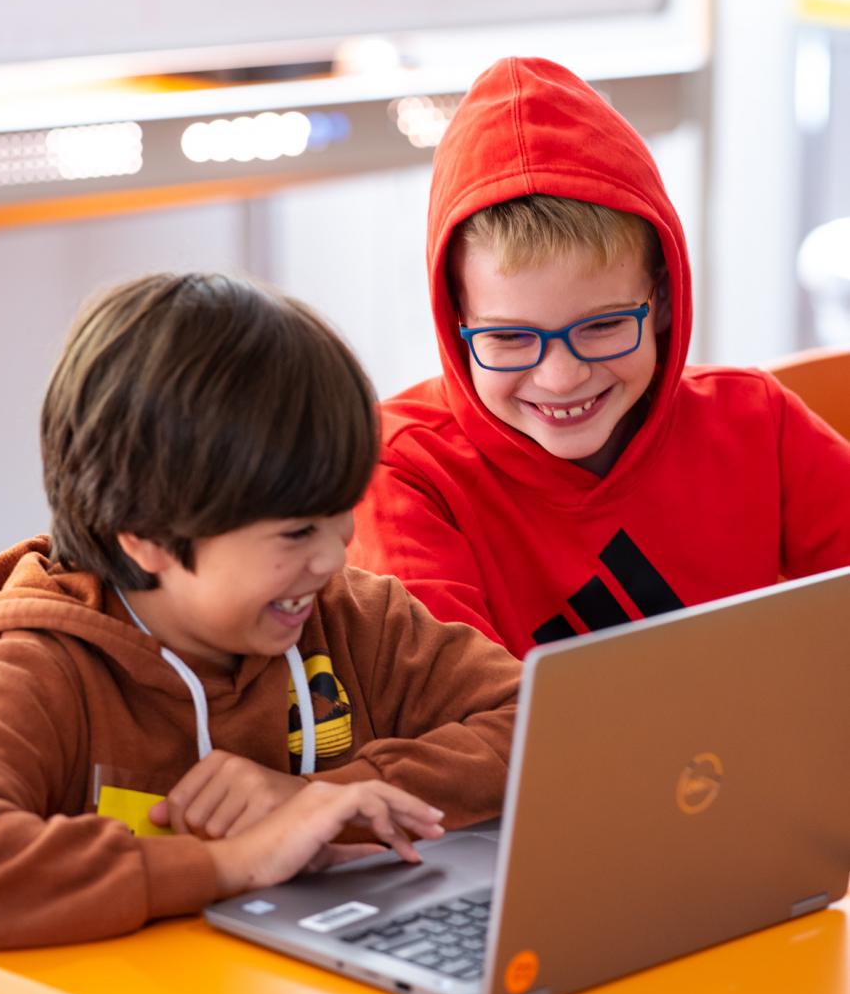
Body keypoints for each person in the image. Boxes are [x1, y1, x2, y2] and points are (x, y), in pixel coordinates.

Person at [0, 272, 520, 994]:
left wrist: (322, 799)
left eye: (342, 516)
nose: (334, 556)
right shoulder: (40, 664)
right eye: (296, 533)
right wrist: (229, 864)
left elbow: (542, 724)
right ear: (142, 535)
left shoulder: (347, 617)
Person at [349, 56, 850, 655]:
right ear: (454, 321)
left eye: (605, 325)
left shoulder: (754, 421)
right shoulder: (402, 474)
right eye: (509, 338)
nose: (561, 377)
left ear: (661, 298)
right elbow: (455, 721)